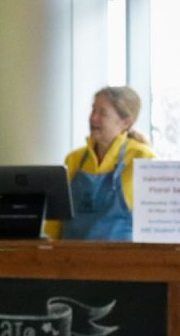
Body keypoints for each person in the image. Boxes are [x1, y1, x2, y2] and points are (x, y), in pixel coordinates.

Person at [45, 86, 155, 241]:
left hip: (121, 262)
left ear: (126, 123)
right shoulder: (74, 159)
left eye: (102, 113)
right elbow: (54, 223)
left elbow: (174, 208)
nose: (93, 118)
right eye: (93, 110)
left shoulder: (142, 158)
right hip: (69, 260)